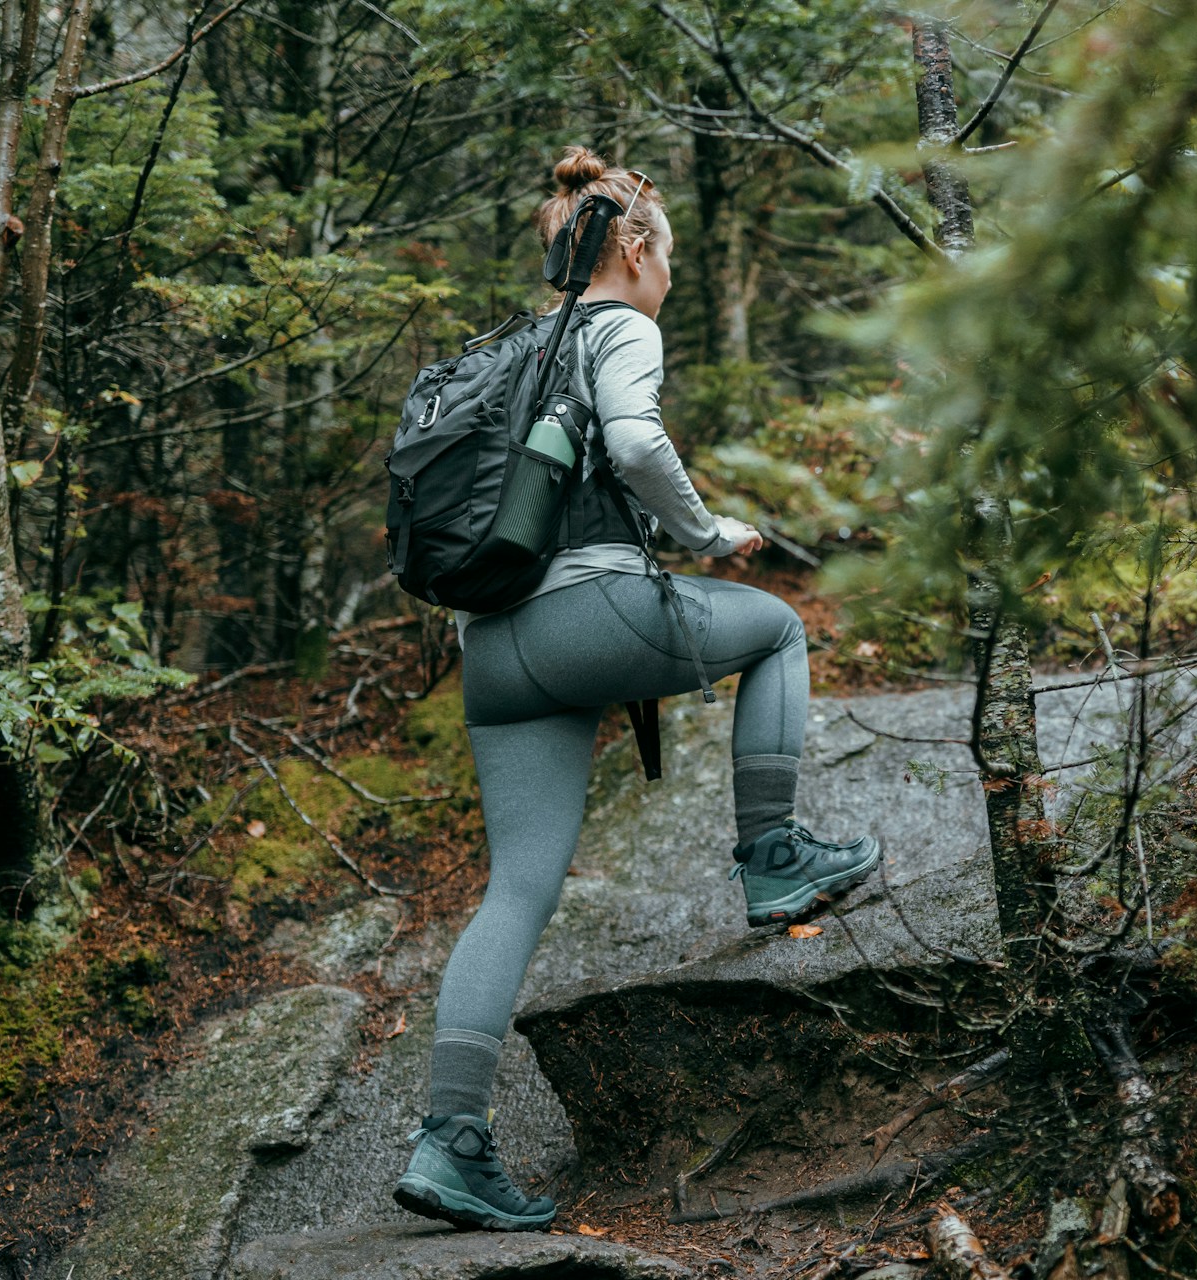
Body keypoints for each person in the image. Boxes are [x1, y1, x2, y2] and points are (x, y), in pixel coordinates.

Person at [391, 146, 882, 1233]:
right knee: (780, 630)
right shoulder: (619, 325)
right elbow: (632, 437)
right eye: (670, 257)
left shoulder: (519, 342)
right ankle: (775, 859)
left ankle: (451, 1140)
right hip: (587, 616)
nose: (672, 277)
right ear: (636, 246)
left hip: (496, 651)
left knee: (514, 889)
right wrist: (709, 534)